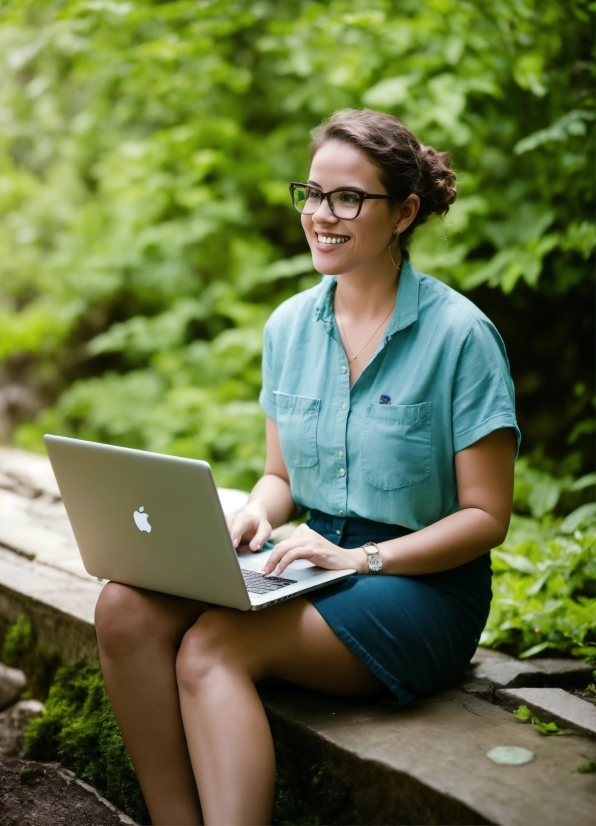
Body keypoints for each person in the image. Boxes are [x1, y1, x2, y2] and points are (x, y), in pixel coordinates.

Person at [94, 108, 520, 826]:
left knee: (212, 646)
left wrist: (361, 558)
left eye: (348, 198)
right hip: (310, 560)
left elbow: (487, 518)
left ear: (405, 212)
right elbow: (281, 478)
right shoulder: (289, 325)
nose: (322, 215)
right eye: (313, 193)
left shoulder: (462, 337)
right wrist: (257, 511)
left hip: (421, 589)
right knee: (123, 609)